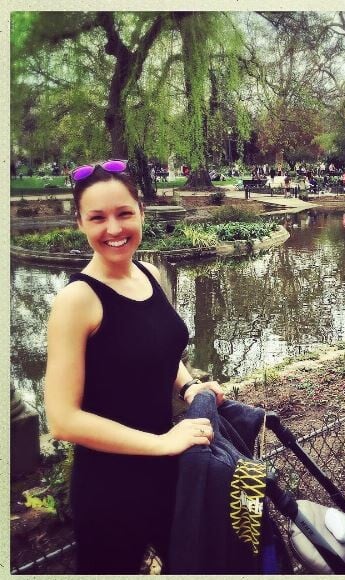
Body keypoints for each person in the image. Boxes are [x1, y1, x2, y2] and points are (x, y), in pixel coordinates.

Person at [44, 160, 225, 574]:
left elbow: (161, 351)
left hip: (167, 470)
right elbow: (62, 419)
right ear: (79, 224)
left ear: (141, 212)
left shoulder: (150, 272)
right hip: (110, 488)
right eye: (97, 218)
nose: (114, 229)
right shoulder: (77, 301)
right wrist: (161, 442)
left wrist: (188, 387)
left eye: (124, 213)